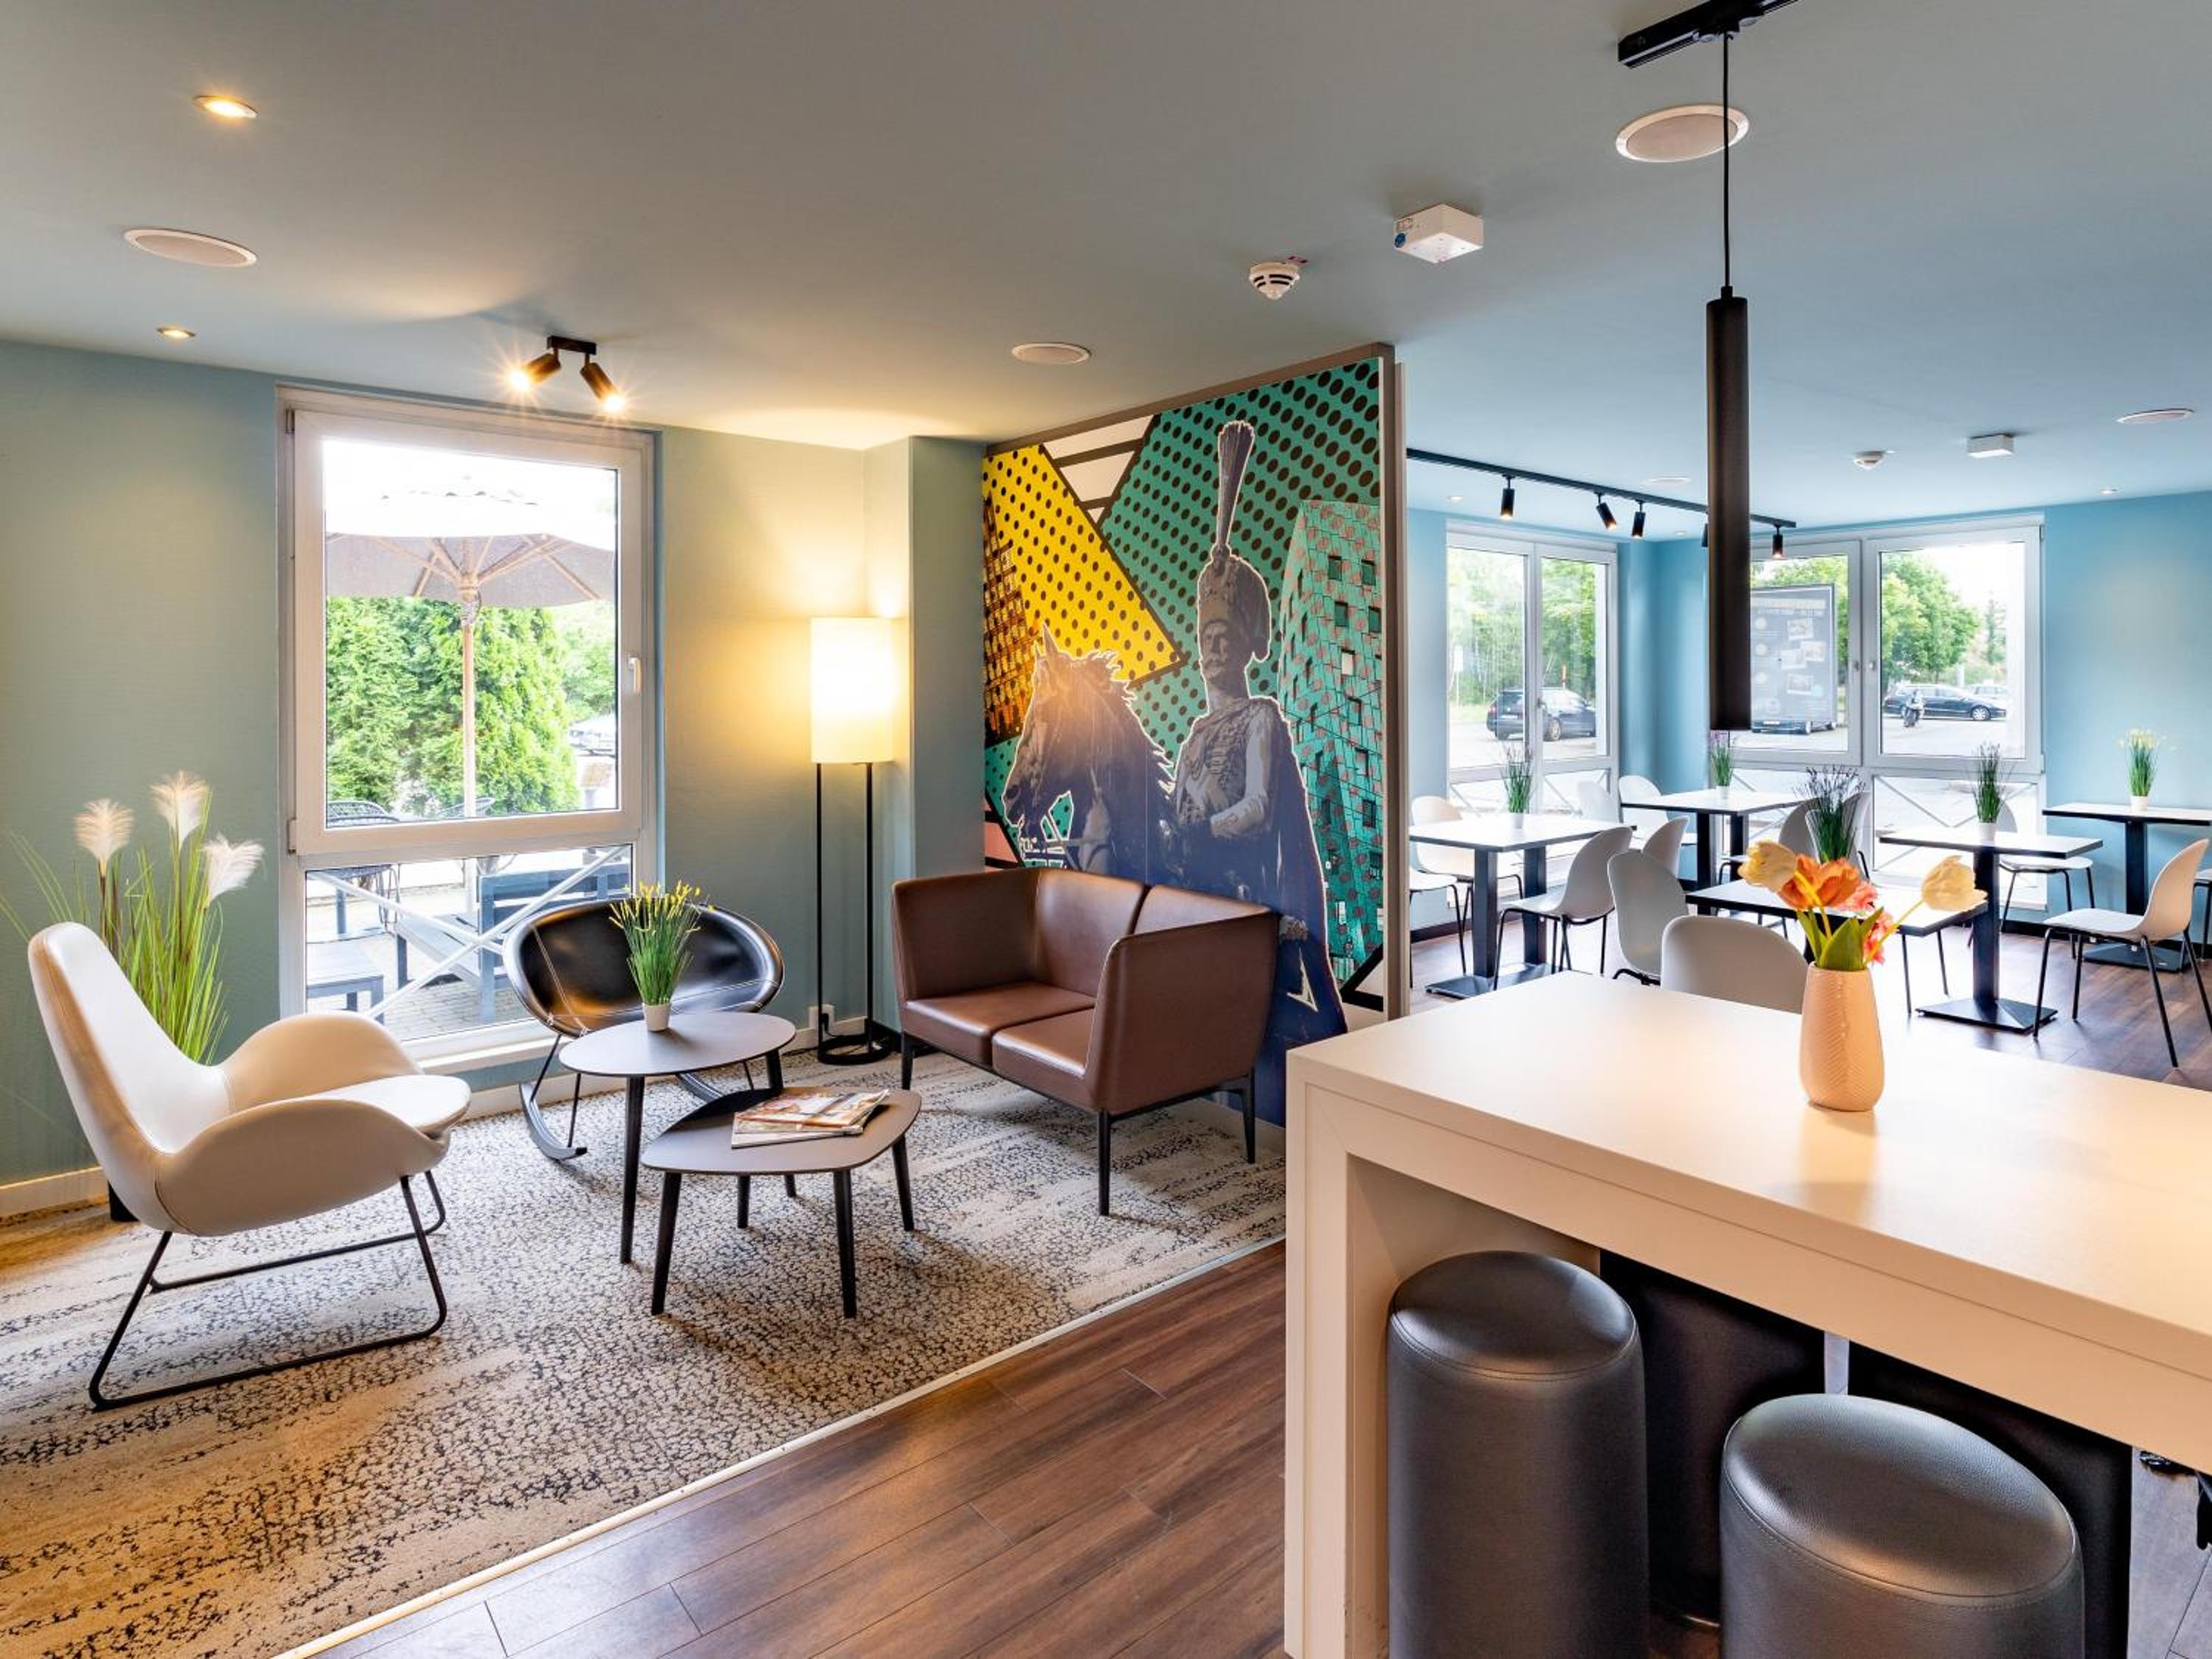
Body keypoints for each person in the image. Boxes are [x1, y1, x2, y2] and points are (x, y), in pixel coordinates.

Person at [1167, 420, 1341, 1043]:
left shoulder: (1261, 716)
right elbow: (1177, 809)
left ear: (1246, 645)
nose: (1214, 647)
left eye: (1226, 637)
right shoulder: (1194, 735)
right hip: (1191, 890)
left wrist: (1203, 829)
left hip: (1245, 891)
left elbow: (1260, 807)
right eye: (1207, 636)